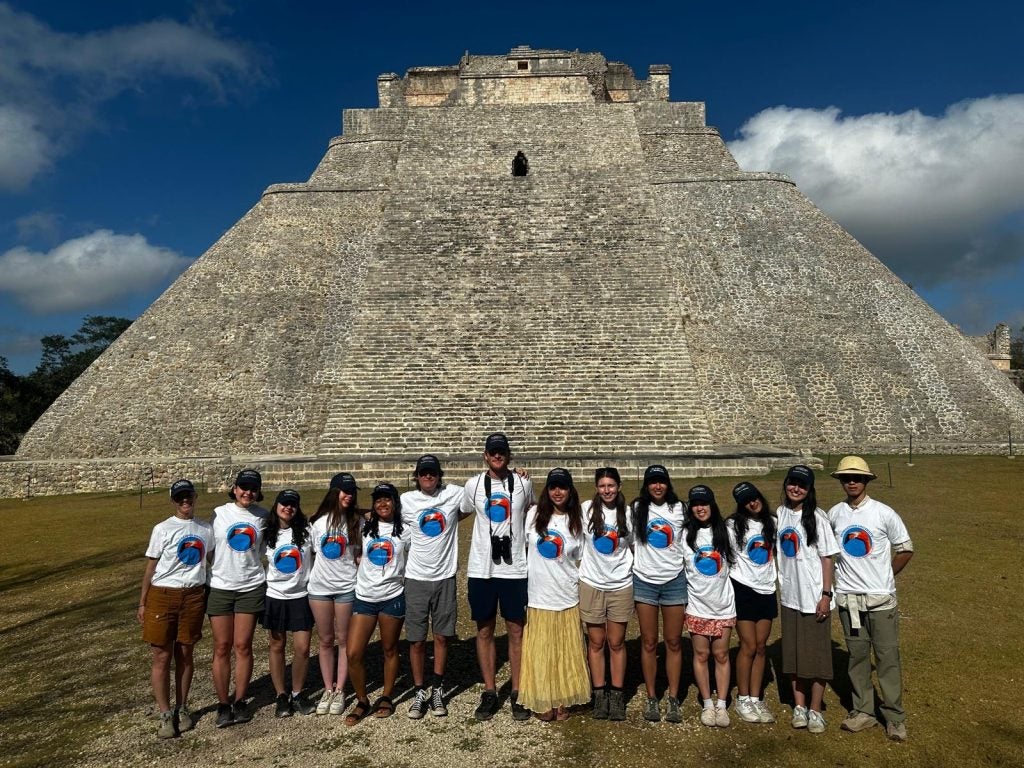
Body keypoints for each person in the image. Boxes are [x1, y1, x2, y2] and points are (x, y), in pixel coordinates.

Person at [828, 456, 914, 742]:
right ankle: (863, 710)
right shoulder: (835, 514)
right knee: (857, 656)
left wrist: (887, 577)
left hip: (880, 600)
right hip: (849, 600)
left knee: (888, 657)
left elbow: (905, 549)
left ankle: (894, 716)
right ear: (841, 481)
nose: (852, 482)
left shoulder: (883, 513)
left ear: (866, 481)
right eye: (846, 478)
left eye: (857, 477)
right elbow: (827, 553)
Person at [460, 432, 536, 721]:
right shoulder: (474, 485)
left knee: (517, 631)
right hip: (483, 568)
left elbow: (531, 510)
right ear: (485, 455)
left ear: (509, 454)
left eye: (502, 451)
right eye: (493, 452)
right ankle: (490, 690)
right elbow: (463, 511)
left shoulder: (524, 482)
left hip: (515, 567)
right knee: (484, 630)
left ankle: (517, 691)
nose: (497, 456)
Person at [138, 479, 213, 738]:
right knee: (161, 656)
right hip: (163, 593)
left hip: (192, 595)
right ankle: (165, 713)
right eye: (180, 497)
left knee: (185, 653)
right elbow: (151, 567)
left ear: (195, 497)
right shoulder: (162, 529)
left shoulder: (206, 528)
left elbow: (211, 560)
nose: (185, 501)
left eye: (188, 496)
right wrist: (143, 601)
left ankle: (182, 707)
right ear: (173, 500)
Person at [518, 468, 591, 720]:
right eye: (553, 487)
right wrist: (521, 476)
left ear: (570, 490)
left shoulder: (577, 519)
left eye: (562, 487)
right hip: (539, 595)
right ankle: (543, 696)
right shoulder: (533, 515)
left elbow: (580, 559)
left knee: (565, 651)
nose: (557, 492)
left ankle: (563, 697)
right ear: (547, 491)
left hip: (566, 593)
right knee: (542, 650)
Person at [775, 464, 839, 735]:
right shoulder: (780, 514)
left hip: (814, 597)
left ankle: (815, 709)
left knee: (817, 657)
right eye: (792, 482)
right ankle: (798, 705)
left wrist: (826, 595)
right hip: (790, 595)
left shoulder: (818, 518)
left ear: (810, 489)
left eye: (802, 485)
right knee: (793, 655)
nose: (796, 488)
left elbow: (827, 558)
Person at [401, 455, 463, 719]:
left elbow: (479, 496)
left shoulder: (453, 494)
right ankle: (418, 690)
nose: (428, 476)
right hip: (416, 578)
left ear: (439, 475)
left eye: (433, 473)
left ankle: (437, 687)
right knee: (416, 640)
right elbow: (379, 512)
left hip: (445, 576)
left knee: (441, 636)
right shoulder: (406, 501)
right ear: (417, 476)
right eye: (424, 473)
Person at [345, 482, 411, 725]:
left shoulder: (405, 531)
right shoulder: (363, 526)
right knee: (353, 653)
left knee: (390, 649)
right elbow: (344, 511)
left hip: (393, 596)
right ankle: (362, 700)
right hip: (365, 597)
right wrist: (365, 512)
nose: (383, 503)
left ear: (395, 502)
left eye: (388, 499)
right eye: (378, 500)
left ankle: (386, 695)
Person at [208, 468, 269, 727]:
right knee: (222, 647)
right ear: (234, 489)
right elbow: (209, 548)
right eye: (244, 487)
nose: (248, 492)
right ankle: (224, 703)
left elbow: (266, 549)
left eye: (253, 488)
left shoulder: (263, 516)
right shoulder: (219, 514)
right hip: (221, 586)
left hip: (250, 585)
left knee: (242, 646)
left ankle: (241, 700)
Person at [631, 464, 687, 723]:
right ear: (646, 484)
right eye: (652, 481)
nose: (657, 486)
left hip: (674, 580)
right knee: (649, 642)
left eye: (661, 481)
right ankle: (652, 696)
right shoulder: (637, 508)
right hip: (645, 581)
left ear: (668, 483)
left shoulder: (680, 509)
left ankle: (673, 697)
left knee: (674, 642)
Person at [579, 467, 633, 721]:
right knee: (596, 642)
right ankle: (599, 693)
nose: (607, 490)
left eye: (611, 485)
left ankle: (617, 693)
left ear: (619, 486)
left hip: (620, 584)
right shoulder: (586, 508)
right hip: (592, 583)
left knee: (617, 642)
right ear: (596, 488)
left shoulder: (629, 513)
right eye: (602, 486)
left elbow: (634, 544)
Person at [681, 485, 736, 727]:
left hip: (723, 605)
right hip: (697, 606)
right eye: (695, 504)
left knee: (721, 654)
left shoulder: (726, 532)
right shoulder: (685, 536)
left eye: (704, 503)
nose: (700, 508)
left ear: (712, 505)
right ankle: (707, 702)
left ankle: (722, 704)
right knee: (701, 655)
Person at [307, 472, 362, 716]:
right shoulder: (318, 523)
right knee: (325, 640)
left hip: (346, 587)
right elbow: (308, 554)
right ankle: (327, 688)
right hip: (319, 588)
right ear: (334, 492)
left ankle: (340, 689)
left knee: (343, 640)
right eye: (344, 491)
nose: (348, 496)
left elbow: (359, 554)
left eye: (352, 492)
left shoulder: (356, 522)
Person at [261, 489, 317, 717]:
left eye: (293, 504)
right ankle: (280, 695)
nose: (288, 508)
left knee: (302, 648)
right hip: (275, 596)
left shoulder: (306, 532)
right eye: (284, 503)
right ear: (276, 506)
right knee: (277, 645)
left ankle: (297, 692)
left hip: (301, 595)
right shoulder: (266, 534)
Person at [728, 481, 778, 724]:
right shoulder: (732, 525)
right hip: (742, 587)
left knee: (760, 646)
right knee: (747, 645)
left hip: (767, 587)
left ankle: (757, 697)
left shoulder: (773, 522)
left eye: (754, 497)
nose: (752, 502)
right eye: (746, 500)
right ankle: (743, 697)